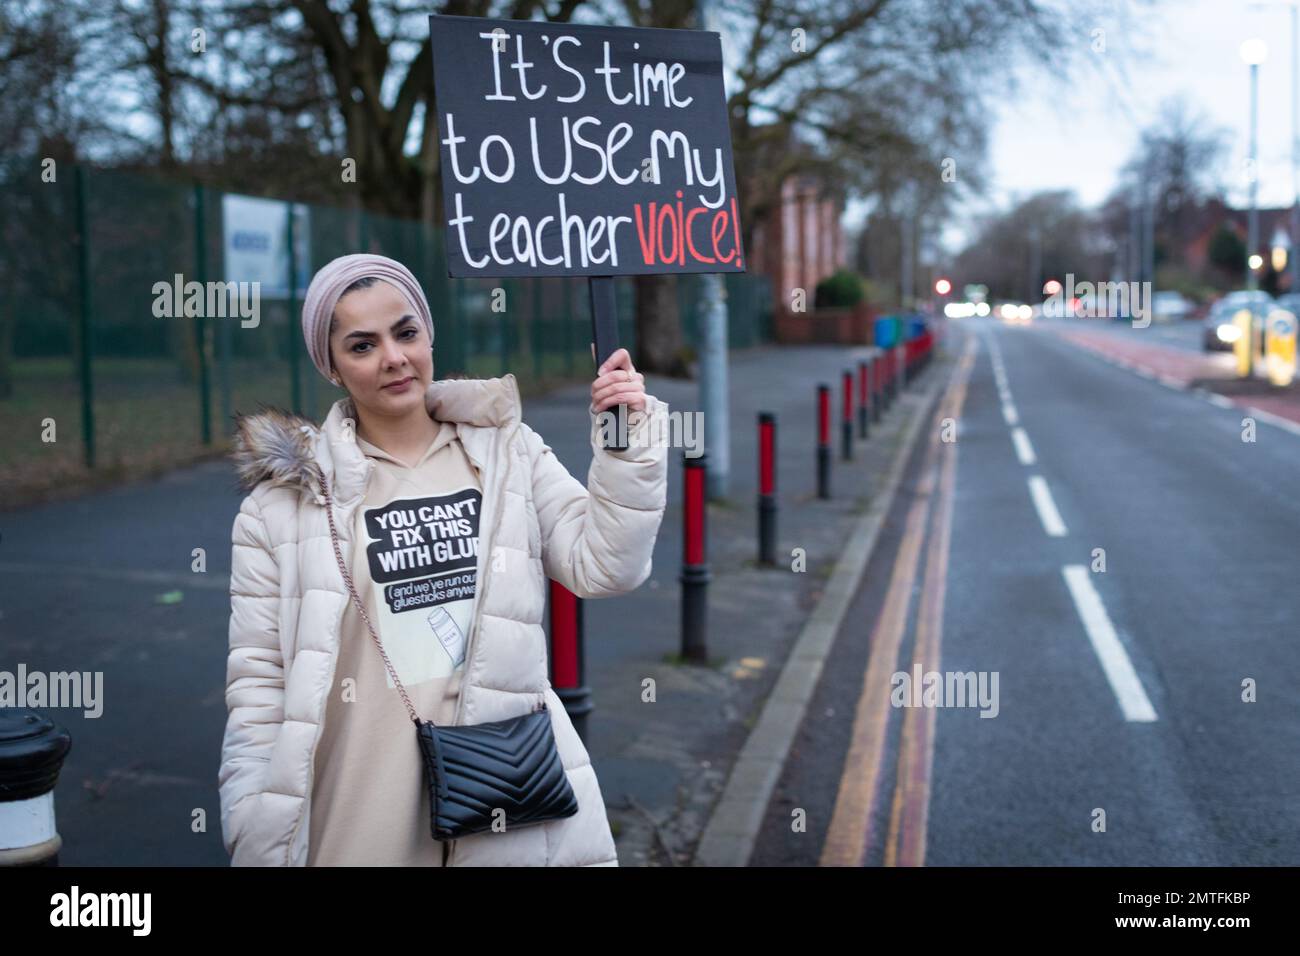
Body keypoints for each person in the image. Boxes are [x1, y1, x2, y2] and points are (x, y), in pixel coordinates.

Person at [217, 253, 668, 866]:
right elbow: (258, 685)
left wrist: (624, 436)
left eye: (406, 332)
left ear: (429, 334)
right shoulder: (283, 506)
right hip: (353, 814)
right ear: (332, 368)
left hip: (499, 796)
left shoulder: (508, 455)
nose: (394, 358)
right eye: (362, 345)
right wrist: (251, 817)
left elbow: (606, 566)